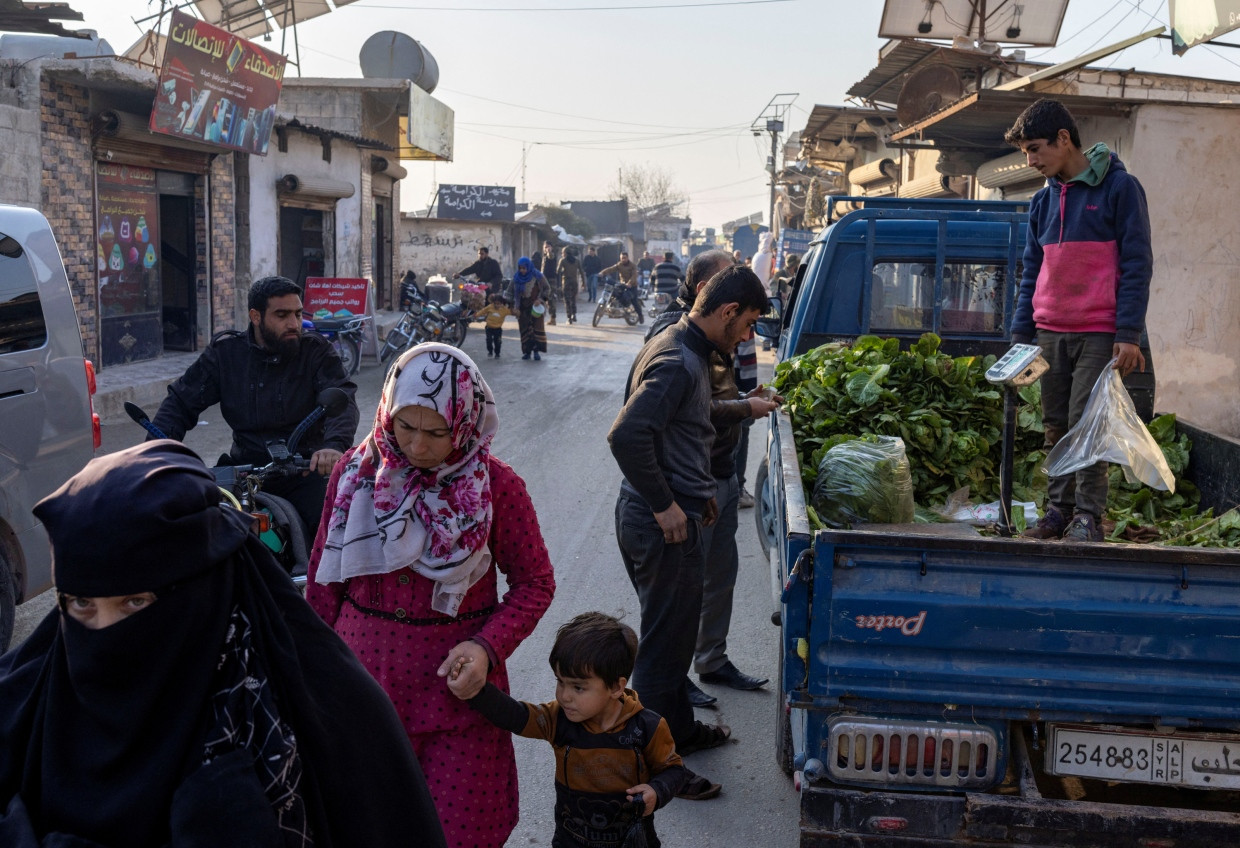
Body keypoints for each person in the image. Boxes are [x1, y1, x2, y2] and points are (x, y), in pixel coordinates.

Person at [0, 440, 446, 848]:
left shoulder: (332, 714)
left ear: (205, 590)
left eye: (135, 602)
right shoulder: (24, 702)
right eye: (81, 604)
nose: (104, 632)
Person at [307, 343, 555, 848]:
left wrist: (486, 648)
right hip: (364, 687)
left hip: (457, 693)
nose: (417, 447)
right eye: (405, 427)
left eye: (436, 432)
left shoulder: (497, 488)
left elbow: (535, 584)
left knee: (457, 834)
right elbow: (322, 584)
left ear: (464, 421)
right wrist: (315, 678)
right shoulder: (354, 476)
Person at [608, 264, 770, 801]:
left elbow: (691, 415)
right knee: (661, 652)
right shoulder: (679, 359)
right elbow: (627, 434)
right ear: (726, 312)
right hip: (660, 527)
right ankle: (656, 767)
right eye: (747, 324)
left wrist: (745, 407)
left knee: (675, 643)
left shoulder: (688, 348)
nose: (748, 337)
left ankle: (679, 732)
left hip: (670, 518)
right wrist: (666, 506)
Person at [1004, 98, 1152, 543]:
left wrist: (1128, 334)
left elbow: (1137, 263)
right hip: (1050, 331)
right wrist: (1020, 334)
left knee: (1088, 424)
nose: (1030, 161)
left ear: (1063, 140)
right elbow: (1031, 270)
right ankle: (1057, 513)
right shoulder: (1041, 202)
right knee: (1055, 426)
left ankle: (1089, 517)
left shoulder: (1121, 189)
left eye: (1035, 149)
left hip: (1099, 332)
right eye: (1026, 153)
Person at [646, 250, 780, 708]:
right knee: (679, 597)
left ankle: (711, 660)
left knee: (719, 578)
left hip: (719, 477)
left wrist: (746, 398)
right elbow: (661, 422)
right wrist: (744, 409)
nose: (748, 334)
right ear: (707, 289)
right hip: (689, 484)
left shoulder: (713, 340)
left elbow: (712, 400)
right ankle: (672, 685)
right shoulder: (676, 341)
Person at [447, 612, 689, 848]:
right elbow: (517, 716)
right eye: (560, 682)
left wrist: (656, 792)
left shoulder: (647, 727)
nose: (564, 696)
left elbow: (674, 770)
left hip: (632, 839)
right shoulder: (558, 719)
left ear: (616, 687)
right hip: (571, 839)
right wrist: (476, 691)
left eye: (578, 687)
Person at [150, 275, 359, 545]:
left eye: (297, 314)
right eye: (282, 315)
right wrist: (154, 452)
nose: (294, 324)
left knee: (337, 533)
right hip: (243, 471)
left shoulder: (315, 351)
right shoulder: (226, 354)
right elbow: (180, 402)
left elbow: (343, 399)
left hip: (304, 470)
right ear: (256, 316)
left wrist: (333, 446)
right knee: (186, 525)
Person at [509, 256, 551, 360]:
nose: (522, 270)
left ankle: (536, 352)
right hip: (522, 309)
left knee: (536, 330)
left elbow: (547, 289)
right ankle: (527, 352)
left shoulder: (538, 276)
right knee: (524, 330)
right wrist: (511, 306)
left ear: (529, 267)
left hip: (536, 308)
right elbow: (509, 292)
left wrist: (540, 300)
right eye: (520, 268)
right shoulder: (516, 278)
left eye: (524, 268)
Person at [601, 251, 643, 323]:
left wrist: (629, 283)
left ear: (627, 258)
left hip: (632, 286)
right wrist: (602, 272)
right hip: (622, 285)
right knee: (613, 293)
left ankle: (640, 316)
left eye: (624, 258)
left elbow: (634, 275)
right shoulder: (619, 265)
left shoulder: (632, 266)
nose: (623, 259)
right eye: (622, 258)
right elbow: (611, 269)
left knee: (634, 301)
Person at [479, 291, 512, 358]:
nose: (497, 305)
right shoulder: (490, 307)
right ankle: (490, 351)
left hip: (498, 329)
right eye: (495, 304)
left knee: (498, 342)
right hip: (489, 328)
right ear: (493, 303)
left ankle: (497, 353)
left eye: (499, 304)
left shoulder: (505, 310)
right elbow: (483, 311)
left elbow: (512, 312)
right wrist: (476, 315)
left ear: (502, 304)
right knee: (489, 340)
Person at [536, 240, 561, 325]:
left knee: (550, 299)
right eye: (545, 247)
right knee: (543, 298)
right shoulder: (544, 257)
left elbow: (551, 256)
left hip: (550, 281)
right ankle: (542, 317)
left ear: (551, 247)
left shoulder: (551, 256)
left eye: (548, 247)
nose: (546, 248)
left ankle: (553, 319)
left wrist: (549, 251)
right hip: (544, 280)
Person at [557, 246, 583, 324]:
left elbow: (558, 271)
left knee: (567, 300)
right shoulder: (577, 261)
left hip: (566, 282)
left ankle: (569, 317)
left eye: (562, 252)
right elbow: (581, 271)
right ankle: (574, 315)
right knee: (573, 299)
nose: (562, 254)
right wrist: (584, 283)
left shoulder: (563, 260)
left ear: (566, 253)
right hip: (574, 282)